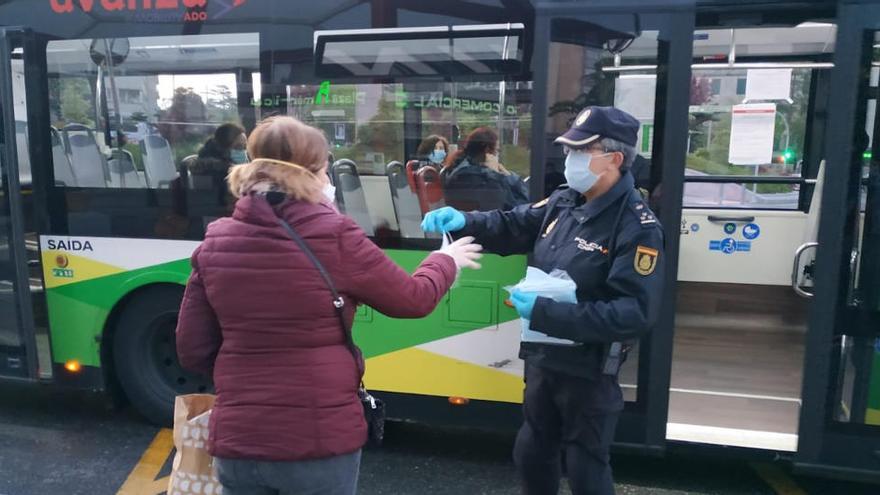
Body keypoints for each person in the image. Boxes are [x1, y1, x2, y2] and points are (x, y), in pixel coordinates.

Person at [175, 116, 483, 495]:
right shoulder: (334, 233)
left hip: (239, 444)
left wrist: (246, 372)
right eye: (324, 170)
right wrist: (446, 260)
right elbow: (413, 299)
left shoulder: (215, 241)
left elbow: (192, 350)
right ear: (312, 174)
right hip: (317, 443)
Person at [421, 106, 665, 495]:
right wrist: (464, 221)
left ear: (614, 159)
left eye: (581, 151)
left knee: (585, 465)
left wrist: (545, 313)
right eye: (569, 150)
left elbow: (634, 312)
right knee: (532, 452)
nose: (570, 159)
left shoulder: (636, 226)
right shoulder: (565, 200)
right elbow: (513, 224)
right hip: (543, 360)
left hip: (589, 370)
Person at [442, 127, 529, 211]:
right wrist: (499, 175)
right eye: (497, 151)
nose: (497, 155)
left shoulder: (457, 168)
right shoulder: (483, 179)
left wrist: (506, 174)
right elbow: (518, 208)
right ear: (487, 151)